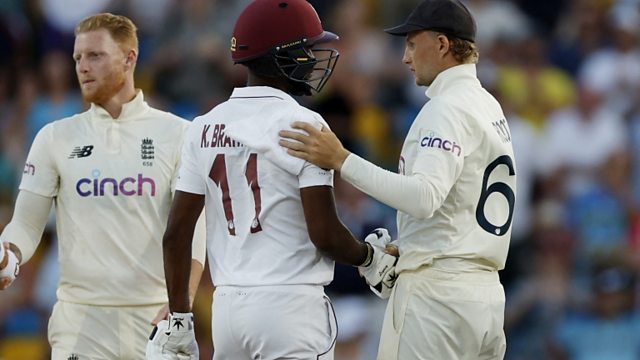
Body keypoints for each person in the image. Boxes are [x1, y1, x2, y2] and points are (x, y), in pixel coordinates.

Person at [153, 0, 398, 359]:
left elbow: (176, 235)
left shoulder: (202, 127)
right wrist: (368, 258)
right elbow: (325, 234)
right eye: (307, 49)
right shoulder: (304, 124)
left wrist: (180, 316)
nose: (314, 59)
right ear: (282, 56)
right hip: (290, 307)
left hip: (227, 309)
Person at [279, 0, 516, 359]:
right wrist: (412, 246)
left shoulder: (447, 107)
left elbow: (424, 198)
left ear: (441, 45)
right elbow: (458, 202)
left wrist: (341, 159)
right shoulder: (487, 104)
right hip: (484, 296)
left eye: (411, 43)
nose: (405, 58)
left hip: (439, 299)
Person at [0, 13, 206, 360]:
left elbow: (193, 230)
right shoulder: (54, 137)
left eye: (95, 56)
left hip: (157, 323)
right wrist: (9, 254)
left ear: (130, 58)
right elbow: (25, 225)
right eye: (78, 58)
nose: (82, 67)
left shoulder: (178, 134)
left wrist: (180, 305)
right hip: (81, 328)